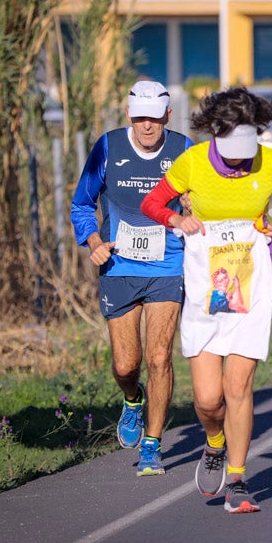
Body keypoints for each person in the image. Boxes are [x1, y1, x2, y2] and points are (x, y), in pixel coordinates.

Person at [141, 86, 272, 513]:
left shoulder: (270, 163)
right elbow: (153, 203)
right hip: (204, 292)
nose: (240, 158)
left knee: (238, 386)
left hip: (253, 289)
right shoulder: (192, 162)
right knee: (209, 399)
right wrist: (177, 218)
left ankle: (238, 478)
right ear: (215, 132)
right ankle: (214, 443)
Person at [71, 80, 191, 477]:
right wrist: (93, 241)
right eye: (139, 118)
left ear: (167, 117)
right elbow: (82, 203)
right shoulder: (108, 146)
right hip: (119, 266)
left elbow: (202, 201)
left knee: (159, 357)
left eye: (154, 119)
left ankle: (153, 446)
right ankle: (132, 398)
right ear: (128, 116)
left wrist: (195, 206)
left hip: (167, 266)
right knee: (127, 364)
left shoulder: (183, 149)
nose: (146, 126)